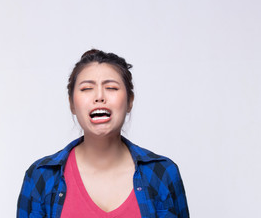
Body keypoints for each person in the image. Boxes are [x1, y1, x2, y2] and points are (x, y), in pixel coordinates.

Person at [17, 49, 189, 218]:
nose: (99, 96)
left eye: (111, 87)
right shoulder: (41, 176)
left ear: (130, 101)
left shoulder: (163, 173)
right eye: (86, 89)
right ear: (72, 104)